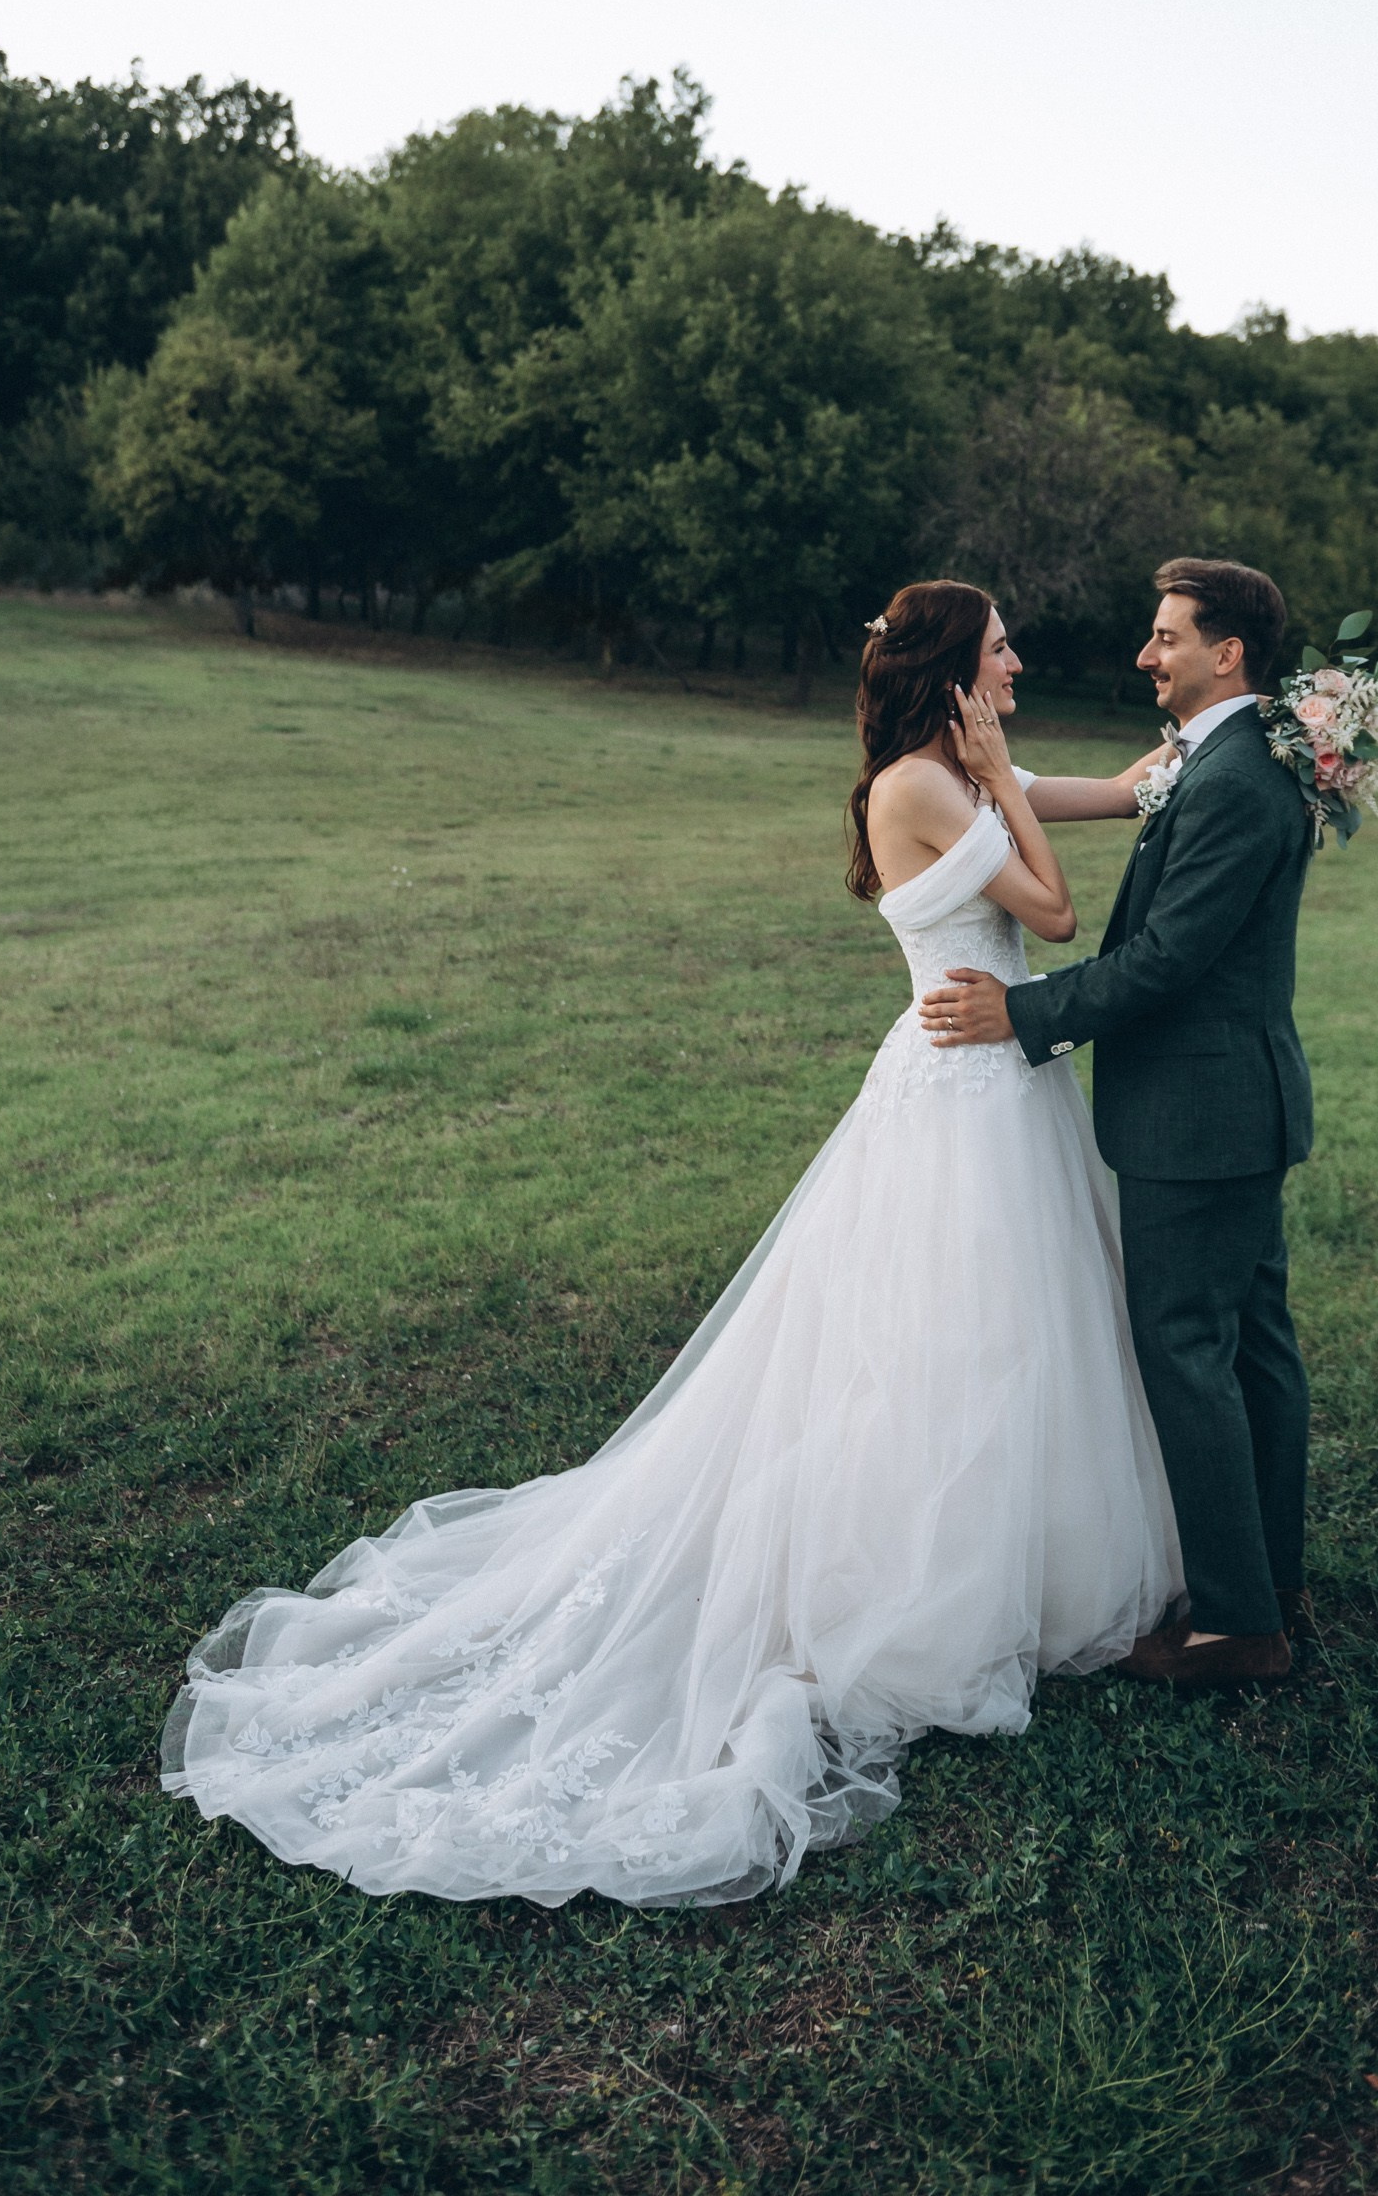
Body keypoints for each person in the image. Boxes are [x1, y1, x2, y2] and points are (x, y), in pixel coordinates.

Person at [162, 581, 1181, 1908]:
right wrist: (1001, 775)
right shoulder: (923, 789)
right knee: (949, 1333)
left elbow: (1120, 788)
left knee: (1017, 1334)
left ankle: (1024, 1563)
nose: (1020, 662)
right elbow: (1050, 918)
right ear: (949, 670)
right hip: (959, 1092)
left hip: (1005, 1083)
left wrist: (1276, 734)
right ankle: (913, 1586)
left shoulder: (970, 770)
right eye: (1000, 649)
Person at [922, 558, 1314, 1692]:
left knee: (1187, 1351)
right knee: (1247, 1345)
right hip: (1226, 1104)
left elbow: (1167, 960)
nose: (1144, 655)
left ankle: (1239, 1624)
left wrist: (1021, 1013)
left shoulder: (1238, 777)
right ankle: (1267, 1577)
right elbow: (1133, 806)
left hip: (1202, 1113)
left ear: (1223, 653)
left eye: (1163, 637)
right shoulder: (1224, 754)